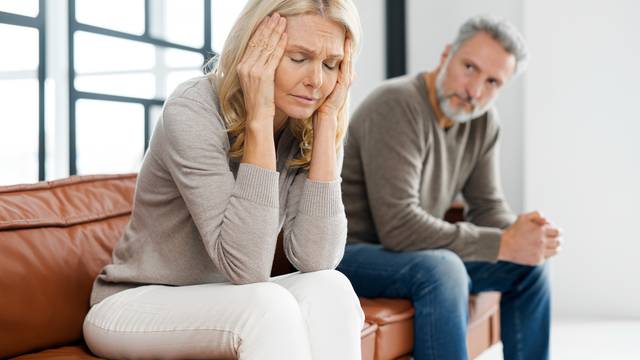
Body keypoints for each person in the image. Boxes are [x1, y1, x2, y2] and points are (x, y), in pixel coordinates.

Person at [83, 1, 363, 359]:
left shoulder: (307, 120)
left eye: (331, 64)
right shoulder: (192, 107)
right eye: (298, 58)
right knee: (267, 305)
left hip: (228, 300)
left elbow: (316, 258)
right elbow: (247, 267)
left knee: (331, 286)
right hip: (134, 302)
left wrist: (327, 123)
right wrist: (259, 116)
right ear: (254, 50)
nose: (317, 80)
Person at [338, 15, 562, 360]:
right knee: (443, 268)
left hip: (415, 252)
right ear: (446, 56)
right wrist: (503, 242)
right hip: (354, 253)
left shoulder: (482, 120)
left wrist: (526, 234)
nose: (474, 91)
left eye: (492, 82)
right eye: (469, 67)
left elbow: (487, 206)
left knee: (530, 264)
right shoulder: (396, 105)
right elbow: (398, 228)